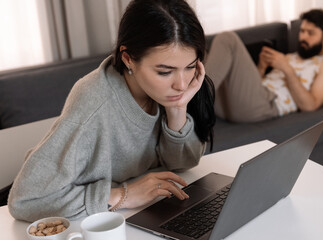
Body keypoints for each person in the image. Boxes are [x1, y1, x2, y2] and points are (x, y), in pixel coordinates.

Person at [8, 0, 215, 222]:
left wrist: (177, 109)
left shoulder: (166, 93)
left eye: (191, 67)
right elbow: (25, 200)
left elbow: (183, 164)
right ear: (128, 59)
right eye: (165, 72)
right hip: (93, 223)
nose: (182, 85)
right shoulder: (94, 102)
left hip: (143, 212)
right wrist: (123, 195)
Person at [205, 9, 323, 123]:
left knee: (228, 38)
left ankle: (198, 100)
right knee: (201, 52)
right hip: (231, 105)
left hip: (265, 106)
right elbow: (248, 89)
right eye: (302, 31)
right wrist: (261, 67)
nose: (303, 37)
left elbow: (311, 105)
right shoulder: (290, 57)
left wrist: (287, 69)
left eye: (310, 33)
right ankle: (198, 99)